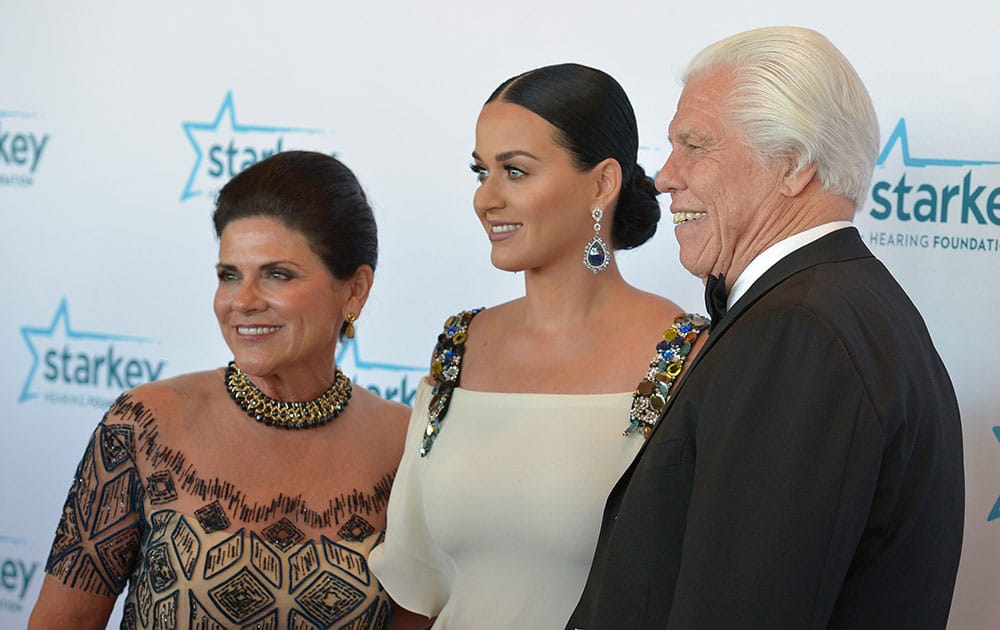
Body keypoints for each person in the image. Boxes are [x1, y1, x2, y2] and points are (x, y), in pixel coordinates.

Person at [567, 26, 966, 629]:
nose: (663, 176)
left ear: (795, 165)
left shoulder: (800, 334)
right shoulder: (840, 307)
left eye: (695, 145)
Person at [368, 63, 708, 629]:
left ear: (602, 183)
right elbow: (416, 589)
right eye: (481, 172)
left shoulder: (685, 357)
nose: (486, 199)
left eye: (516, 172)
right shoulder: (460, 347)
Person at [29, 151, 411, 630]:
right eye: (229, 275)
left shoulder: (404, 445)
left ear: (355, 290)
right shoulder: (146, 425)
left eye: (277, 274)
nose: (243, 302)